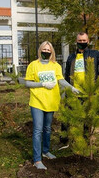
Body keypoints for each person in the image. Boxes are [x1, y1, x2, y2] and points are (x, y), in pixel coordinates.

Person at [25, 41, 79, 170]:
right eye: (44, 49)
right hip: (37, 101)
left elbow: (60, 80)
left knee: (48, 128)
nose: (46, 51)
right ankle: (37, 159)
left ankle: (46, 151)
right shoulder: (34, 65)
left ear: (52, 52)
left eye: (49, 50)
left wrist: (71, 88)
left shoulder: (55, 65)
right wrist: (42, 84)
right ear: (40, 50)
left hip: (51, 101)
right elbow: (27, 83)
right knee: (38, 130)